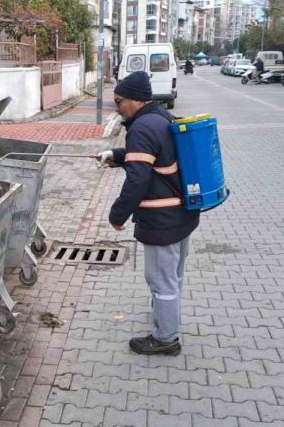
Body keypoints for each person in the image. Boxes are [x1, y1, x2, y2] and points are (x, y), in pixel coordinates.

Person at [97, 72, 200, 356]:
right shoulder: (161, 118)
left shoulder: (141, 128)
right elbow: (154, 156)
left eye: (119, 101)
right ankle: (166, 316)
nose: (117, 107)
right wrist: (116, 156)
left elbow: (138, 180)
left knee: (161, 280)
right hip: (182, 215)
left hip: (161, 220)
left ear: (135, 100)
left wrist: (117, 215)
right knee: (173, 276)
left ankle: (166, 338)